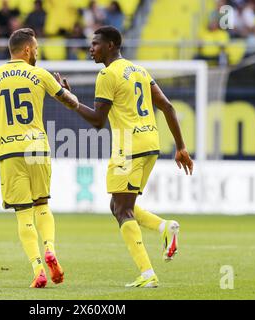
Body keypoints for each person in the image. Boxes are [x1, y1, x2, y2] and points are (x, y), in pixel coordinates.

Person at [55, 26, 193, 288]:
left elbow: (97, 121)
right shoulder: (138, 71)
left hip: (128, 148)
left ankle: (147, 273)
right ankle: (165, 228)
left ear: (111, 45)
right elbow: (167, 106)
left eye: (95, 44)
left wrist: (70, 100)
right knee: (118, 205)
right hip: (151, 144)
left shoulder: (107, 74)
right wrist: (181, 147)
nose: (91, 48)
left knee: (122, 209)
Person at [0, 28, 79, 288]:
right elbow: (71, 103)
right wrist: (66, 90)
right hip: (37, 148)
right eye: (37, 49)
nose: (37, 52)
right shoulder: (40, 74)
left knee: (22, 214)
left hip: (8, 152)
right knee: (42, 205)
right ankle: (50, 248)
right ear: (27, 50)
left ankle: (38, 268)